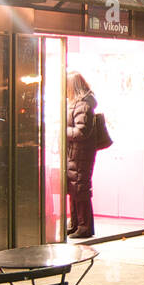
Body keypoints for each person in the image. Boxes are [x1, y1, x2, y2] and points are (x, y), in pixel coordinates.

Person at [66, 71, 98, 238]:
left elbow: (81, 132)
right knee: (74, 188)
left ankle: (84, 227)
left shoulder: (83, 106)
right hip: (75, 153)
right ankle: (76, 224)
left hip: (81, 154)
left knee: (80, 188)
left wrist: (64, 131)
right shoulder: (79, 104)